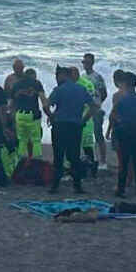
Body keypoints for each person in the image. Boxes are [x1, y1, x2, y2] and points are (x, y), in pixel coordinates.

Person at [46, 65, 100, 194]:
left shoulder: (59, 90)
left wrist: (51, 116)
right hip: (75, 126)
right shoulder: (81, 89)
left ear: (62, 75)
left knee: (58, 156)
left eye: (57, 76)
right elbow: (94, 107)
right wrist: (84, 120)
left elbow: (46, 105)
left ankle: (55, 185)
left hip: (60, 126)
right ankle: (77, 185)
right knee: (74, 156)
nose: (56, 78)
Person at [9, 67, 49, 159]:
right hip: (32, 115)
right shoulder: (36, 83)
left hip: (20, 115)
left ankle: (20, 162)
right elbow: (43, 100)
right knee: (36, 140)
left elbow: (11, 104)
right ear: (33, 76)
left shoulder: (16, 84)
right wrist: (48, 113)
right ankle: (37, 160)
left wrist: (11, 116)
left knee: (22, 140)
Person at [71, 66, 100, 176]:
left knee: (87, 145)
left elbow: (92, 102)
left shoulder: (86, 84)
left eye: (71, 74)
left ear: (76, 74)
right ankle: (78, 169)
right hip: (75, 118)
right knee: (75, 145)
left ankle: (92, 169)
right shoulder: (71, 84)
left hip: (86, 119)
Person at [81, 53, 109, 167]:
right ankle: (88, 158)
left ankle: (102, 160)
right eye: (84, 62)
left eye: (87, 62)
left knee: (98, 134)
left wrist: (97, 104)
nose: (85, 64)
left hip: (96, 110)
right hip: (84, 110)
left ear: (92, 63)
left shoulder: (97, 77)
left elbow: (104, 93)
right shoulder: (82, 77)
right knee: (85, 135)